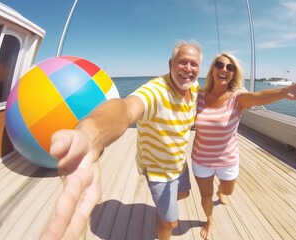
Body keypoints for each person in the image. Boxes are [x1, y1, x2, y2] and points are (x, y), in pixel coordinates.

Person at [40, 40, 202, 240]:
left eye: (194, 64)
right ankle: (164, 223)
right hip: (160, 171)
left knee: (183, 195)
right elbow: (126, 108)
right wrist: (92, 134)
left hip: (179, 163)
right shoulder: (157, 91)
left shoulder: (194, 89)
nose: (188, 68)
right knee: (169, 223)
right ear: (171, 64)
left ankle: (164, 208)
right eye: (182, 62)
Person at [191, 52, 296, 239]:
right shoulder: (198, 96)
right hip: (201, 159)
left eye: (230, 67)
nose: (224, 69)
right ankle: (209, 220)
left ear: (233, 74)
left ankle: (220, 191)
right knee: (205, 197)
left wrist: (284, 92)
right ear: (213, 68)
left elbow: (259, 96)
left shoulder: (238, 98)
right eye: (220, 64)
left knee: (228, 190)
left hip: (227, 159)